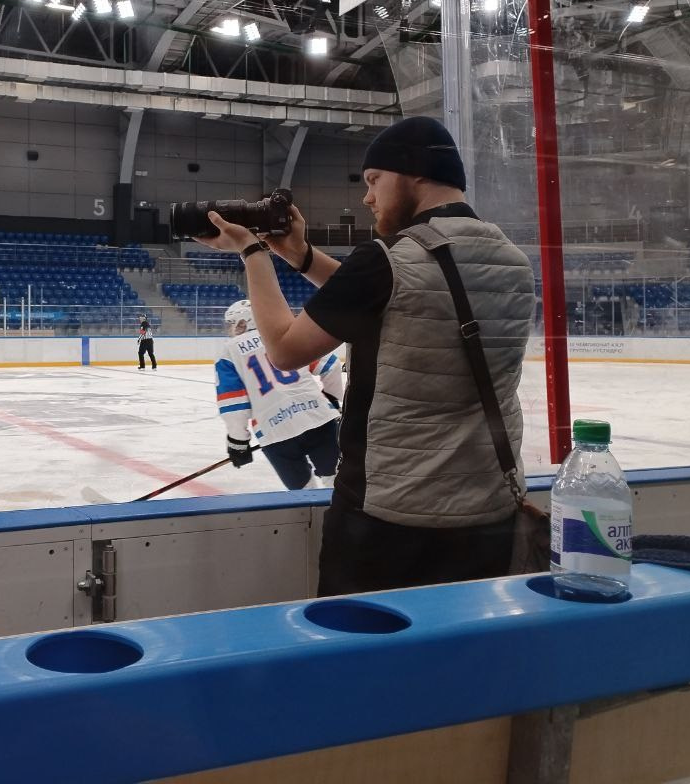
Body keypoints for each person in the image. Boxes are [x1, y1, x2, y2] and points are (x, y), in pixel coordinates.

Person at [194, 116, 535, 596]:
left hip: (391, 516)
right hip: (489, 511)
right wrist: (300, 255)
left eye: (374, 180)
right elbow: (401, 300)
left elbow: (285, 350)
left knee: (362, 638)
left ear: (415, 172)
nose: (367, 197)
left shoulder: (389, 257)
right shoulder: (512, 259)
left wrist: (252, 252)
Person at [215, 299, 343, 490]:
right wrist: (332, 399)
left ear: (244, 322)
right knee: (338, 483)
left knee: (302, 494)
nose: (231, 329)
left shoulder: (228, 352)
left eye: (233, 324)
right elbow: (331, 366)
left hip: (274, 432)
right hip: (319, 418)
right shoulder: (284, 334)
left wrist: (238, 441)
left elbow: (233, 404)